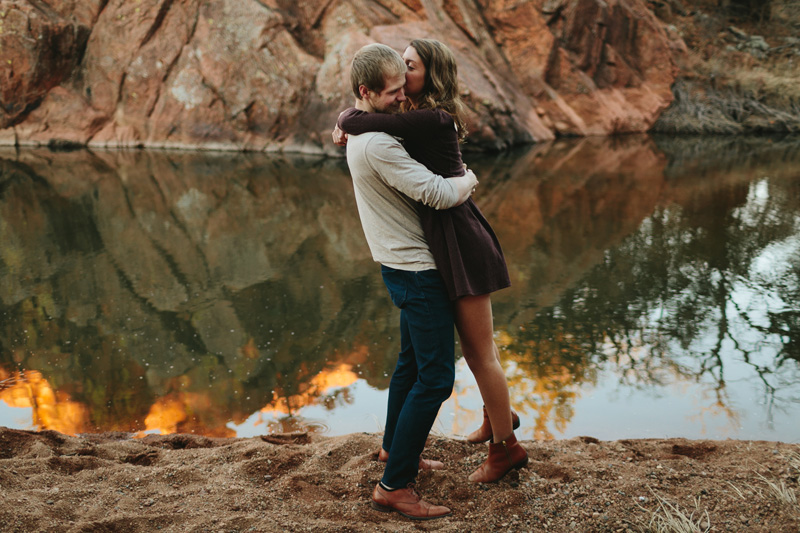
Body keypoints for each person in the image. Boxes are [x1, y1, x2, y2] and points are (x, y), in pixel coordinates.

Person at [333, 39, 527, 484]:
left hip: (459, 240)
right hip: (439, 242)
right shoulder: (402, 119)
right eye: (398, 66)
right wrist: (346, 121)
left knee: (481, 355)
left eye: (409, 66)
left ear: (429, 74)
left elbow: (359, 117)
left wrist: (347, 120)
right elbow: (360, 116)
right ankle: (495, 421)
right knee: (445, 358)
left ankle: (505, 447)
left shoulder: (432, 118)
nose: (401, 74)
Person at [339, 43, 478, 520]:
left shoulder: (362, 133)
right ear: (366, 92)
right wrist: (470, 178)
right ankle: (395, 485)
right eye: (394, 92)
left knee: (409, 365)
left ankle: (394, 451)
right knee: (436, 377)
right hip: (418, 271)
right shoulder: (378, 143)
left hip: (398, 265)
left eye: (404, 88)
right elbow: (440, 194)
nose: (402, 100)